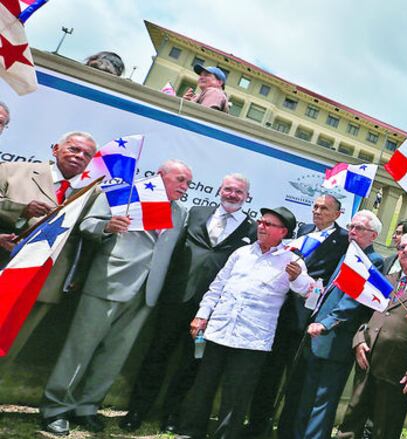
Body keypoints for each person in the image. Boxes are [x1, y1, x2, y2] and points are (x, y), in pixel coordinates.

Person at [39, 160, 191, 436]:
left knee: (114, 355)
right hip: (109, 282)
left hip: (146, 293)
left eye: (188, 183)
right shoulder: (125, 192)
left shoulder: (180, 213)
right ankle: (55, 408)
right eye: (180, 180)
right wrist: (108, 226)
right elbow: (87, 224)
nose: (185, 187)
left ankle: (86, 406)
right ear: (160, 176)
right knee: (80, 348)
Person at [120, 174, 257, 433]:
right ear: (219, 190)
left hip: (212, 311)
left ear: (247, 196)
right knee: (157, 355)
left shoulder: (251, 228)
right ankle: (137, 410)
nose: (232, 195)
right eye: (228, 189)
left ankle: (173, 415)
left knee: (191, 365)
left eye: (239, 192)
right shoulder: (195, 212)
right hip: (177, 298)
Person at [176, 206, 313, 439]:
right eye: (261, 222)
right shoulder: (241, 253)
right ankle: (190, 432)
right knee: (203, 386)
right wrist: (202, 315)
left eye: (269, 224)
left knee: (236, 395)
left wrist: (296, 277)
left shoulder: (292, 260)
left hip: (252, 339)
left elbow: (308, 291)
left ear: (283, 232)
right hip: (220, 329)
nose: (261, 226)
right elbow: (217, 287)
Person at [247, 194, 349, 437]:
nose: (317, 211)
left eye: (324, 208)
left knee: (295, 381)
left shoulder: (344, 240)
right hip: (281, 312)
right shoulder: (303, 230)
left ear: (337, 214)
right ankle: (256, 427)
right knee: (268, 374)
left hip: (308, 320)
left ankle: (286, 431)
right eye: (315, 206)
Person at [335, 233, 407, 439]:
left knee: (385, 426)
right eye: (401, 247)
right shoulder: (386, 281)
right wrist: (359, 340)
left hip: (397, 368)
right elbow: (364, 315)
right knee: (353, 418)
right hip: (367, 360)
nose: (405, 250)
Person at [0, 131, 97, 361]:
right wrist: (21, 209)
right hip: (5, 266)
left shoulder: (92, 195)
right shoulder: (12, 170)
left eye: (86, 154)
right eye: (73, 149)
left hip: (43, 281)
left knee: (10, 345)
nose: (79, 156)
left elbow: (87, 236)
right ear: (55, 149)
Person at [292, 210, 384, 439]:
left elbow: (353, 300)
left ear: (373, 235)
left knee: (323, 401)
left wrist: (325, 323)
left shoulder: (373, 261)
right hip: (316, 338)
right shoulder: (347, 254)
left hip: (335, 340)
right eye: (351, 227)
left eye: (359, 228)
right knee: (306, 396)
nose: (352, 232)